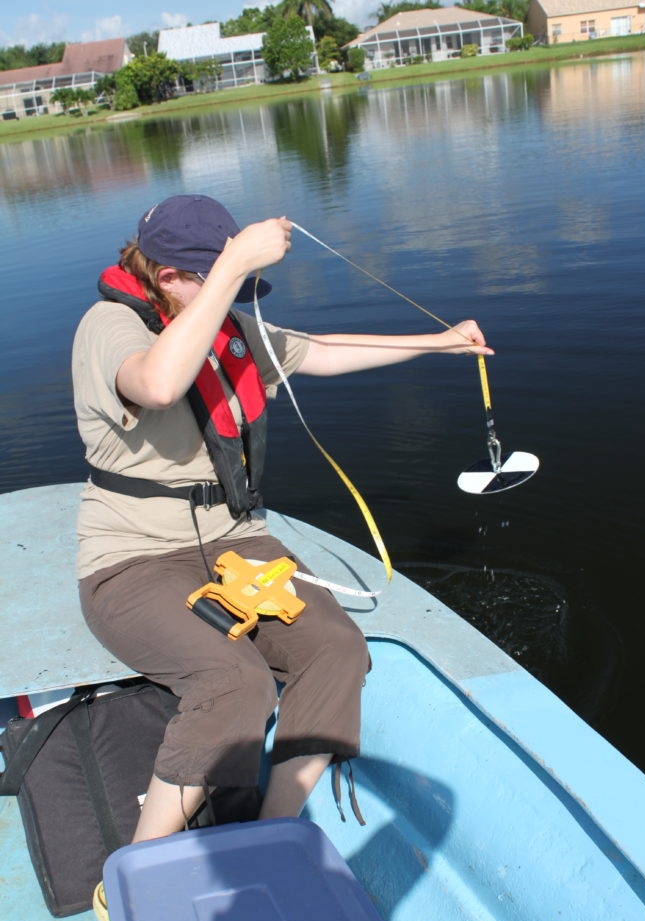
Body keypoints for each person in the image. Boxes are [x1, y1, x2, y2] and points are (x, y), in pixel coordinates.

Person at [72, 193, 492, 853]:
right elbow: (155, 383)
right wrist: (238, 258)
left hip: (236, 540)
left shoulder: (226, 326)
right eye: (219, 279)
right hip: (132, 560)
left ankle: (271, 837)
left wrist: (439, 343)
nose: (232, 294)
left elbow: (318, 350)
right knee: (232, 680)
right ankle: (139, 865)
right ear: (166, 276)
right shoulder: (109, 326)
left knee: (337, 651)